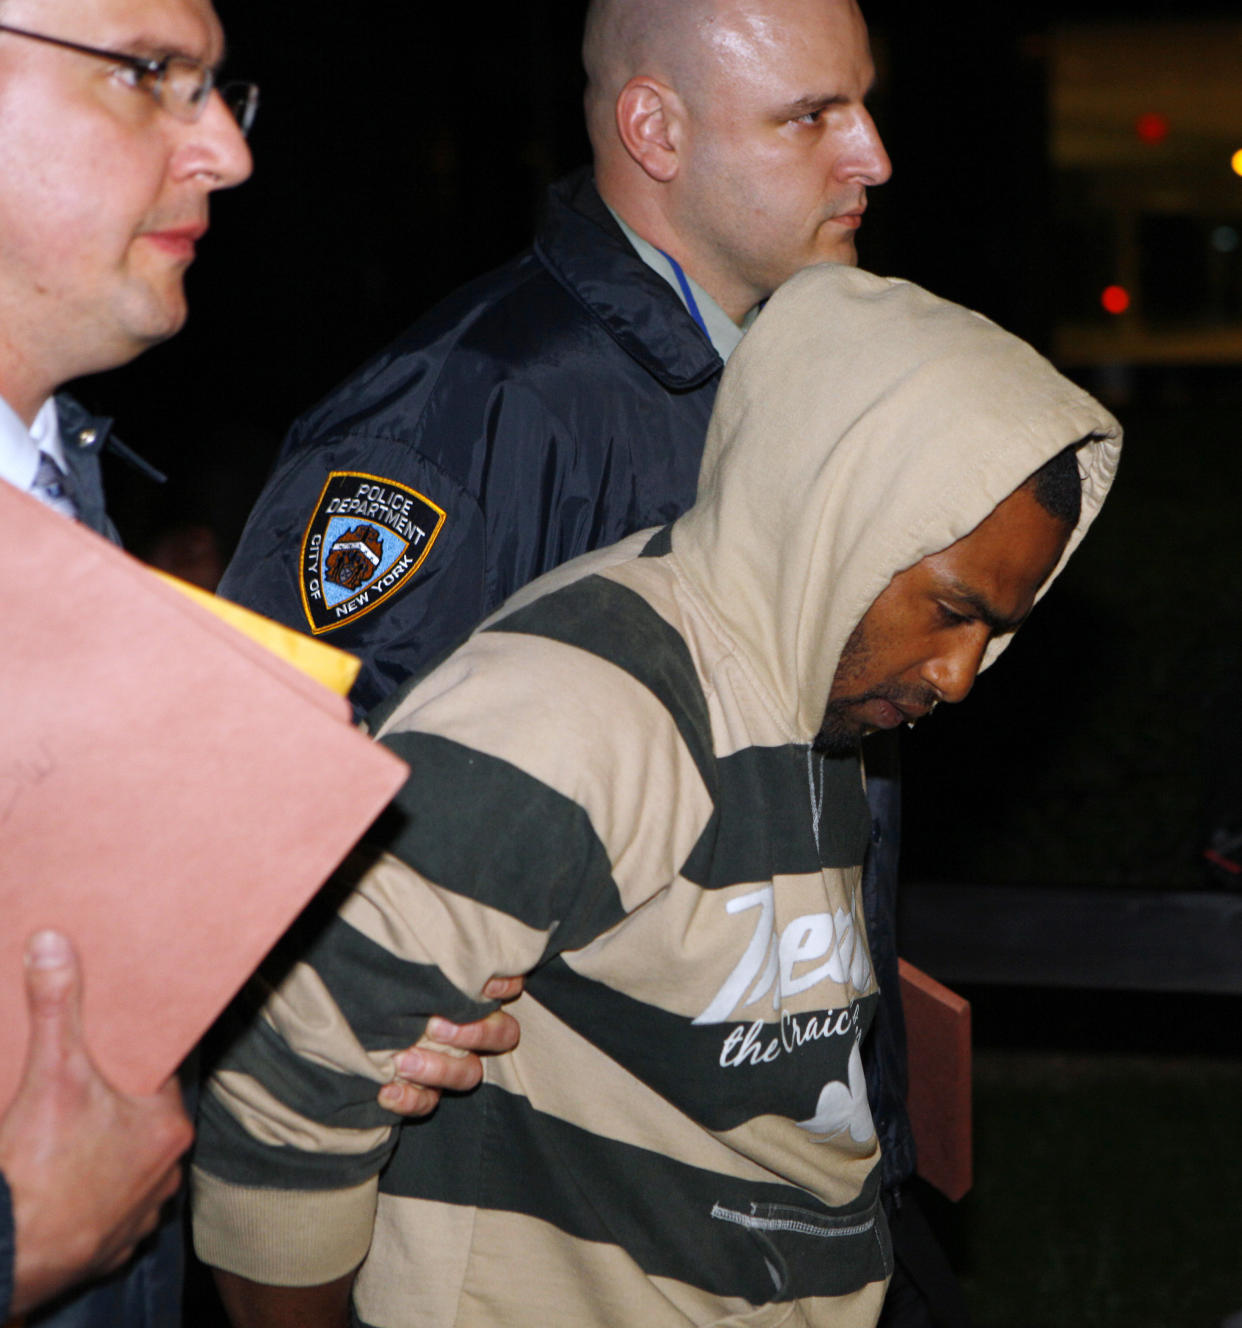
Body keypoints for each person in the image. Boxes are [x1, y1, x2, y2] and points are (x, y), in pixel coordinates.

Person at [191, 264, 1123, 1328]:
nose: (960, 674)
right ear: (835, 520)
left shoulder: (819, 694)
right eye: (950, 610)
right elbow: (292, 1067)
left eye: (995, 630)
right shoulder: (577, 704)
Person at [217, 2, 932, 1311]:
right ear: (653, 127)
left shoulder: (792, 390)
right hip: (552, 1229)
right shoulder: (468, 410)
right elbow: (263, 827)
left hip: (774, 1201)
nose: (872, 153)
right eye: (811, 114)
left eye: (862, 102)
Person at [0, 0, 515, 1318]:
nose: (225, 148)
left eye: (220, 86)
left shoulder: (59, 483)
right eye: (150, 75)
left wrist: (319, 1016)